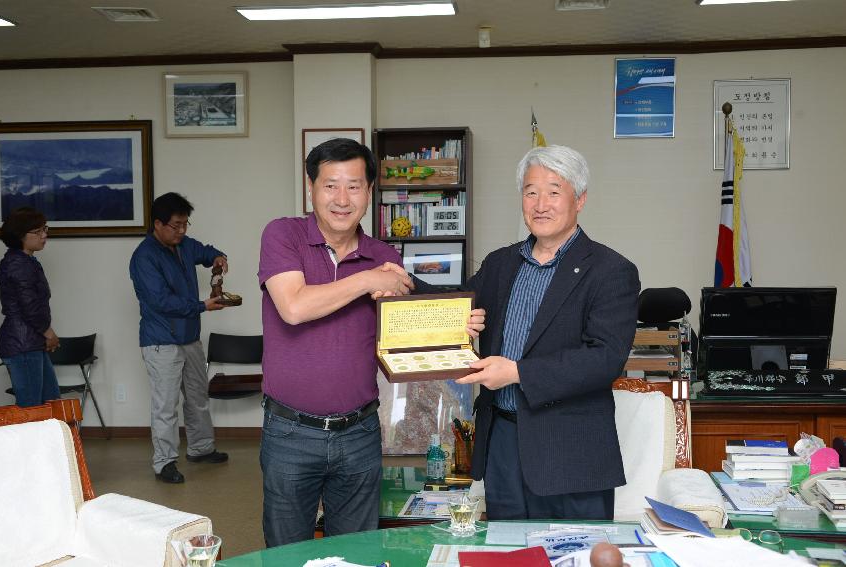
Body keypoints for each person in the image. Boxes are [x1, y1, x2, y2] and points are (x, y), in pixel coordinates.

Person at [456, 145, 640, 521]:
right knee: (509, 558)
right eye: (530, 191)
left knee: (574, 557)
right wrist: (399, 282)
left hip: (571, 451)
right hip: (503, 445)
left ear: (580, 199)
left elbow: (605, 358)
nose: (540, 204)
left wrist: (517, 373)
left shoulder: (610, 270)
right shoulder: (500, 263)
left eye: (554, 192)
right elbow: (452, 303)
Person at [258, 138, 426, 546]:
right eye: (330, 184)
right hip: (290, 432)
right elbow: (294, 307)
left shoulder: (384, 254)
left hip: (359, 431)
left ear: (369, 192)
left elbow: (403, 335)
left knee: (355, 551)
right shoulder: (284, 235)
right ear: (311, 188)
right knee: (286, 553)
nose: (342, 198)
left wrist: (457, 326)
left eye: (354, 185)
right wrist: (369, 279)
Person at [129, 192, 229, 484]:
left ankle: (200, 448)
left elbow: (206, 251)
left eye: (185, 224)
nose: (182, 230)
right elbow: (161, 301)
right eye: (176, 225)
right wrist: (202, 306)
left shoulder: (184, 245)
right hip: (160, 342)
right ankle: (164, 463)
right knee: (166, 405)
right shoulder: (144, 257)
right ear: (157, 224)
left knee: (197, 398)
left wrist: (218, 258)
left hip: (190, 338)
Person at [0, 207, 61, 407]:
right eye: (38, 231)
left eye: (45, 229)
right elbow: (30, 306)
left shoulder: (23, 261)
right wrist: (49, 332)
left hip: (29, 342)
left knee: (49, 405)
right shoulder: (19, 264)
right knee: (32, 409)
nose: (44, 235)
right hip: (22, 343)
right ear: (20, 236)